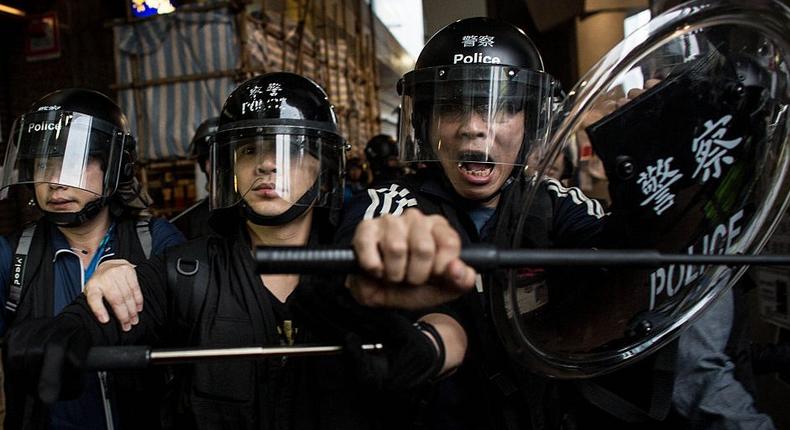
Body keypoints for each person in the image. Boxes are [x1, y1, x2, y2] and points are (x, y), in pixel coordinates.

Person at [4, 72, 470, 429]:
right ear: (228, 169)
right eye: (249, 151)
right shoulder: (185, 269)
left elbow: (450, 325)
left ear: (322, 167)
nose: (267, 163)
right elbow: (108, 315)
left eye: (287, 150)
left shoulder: (354, 265)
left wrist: (429, 347)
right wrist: (64, 331)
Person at [336, 17, 609, 429]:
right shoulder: (389, 204)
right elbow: (351, 269)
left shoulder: (553, 203)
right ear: (426, 124)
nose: (473, 127)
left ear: (529, 123)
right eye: (450, 106)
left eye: (501, 107)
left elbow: (630, 255)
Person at [0, 88, 185, 429]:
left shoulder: (155, 241)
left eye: (76, 162)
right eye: (44, 163)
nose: (55, 182)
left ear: (114, 166)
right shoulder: (12, 256)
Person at [171, 117, 219, 239]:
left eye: (222, 158)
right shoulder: (188, 221)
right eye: (208, 160)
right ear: (203, 166)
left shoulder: (258, 212)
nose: (214, 166)